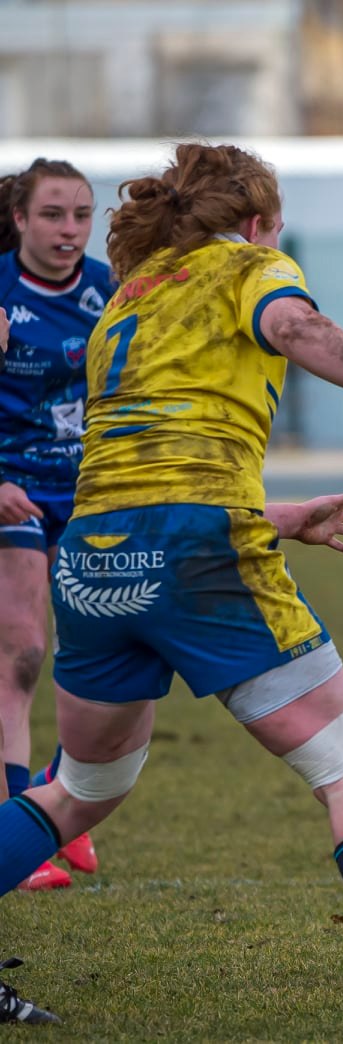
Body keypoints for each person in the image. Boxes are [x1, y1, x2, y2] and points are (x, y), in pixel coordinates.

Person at [0, 142, 343, 1034]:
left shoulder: (124, 301)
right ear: (254, 223)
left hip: (92, 559)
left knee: (79, 792)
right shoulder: (249, 267)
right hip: (199, 554)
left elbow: (148, 464)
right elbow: (298, 330)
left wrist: (277, 517)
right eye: (274, 224)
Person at [0, 158, 115, 891]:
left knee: (108, 660)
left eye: (80, 214)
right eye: (52, 215)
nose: (68, 229)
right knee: (21, 655)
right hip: (14, 494)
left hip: (96, 496)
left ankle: (58, 793)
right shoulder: (1, 296)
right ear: (18, 219)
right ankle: (17, 828)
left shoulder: (110, 288)